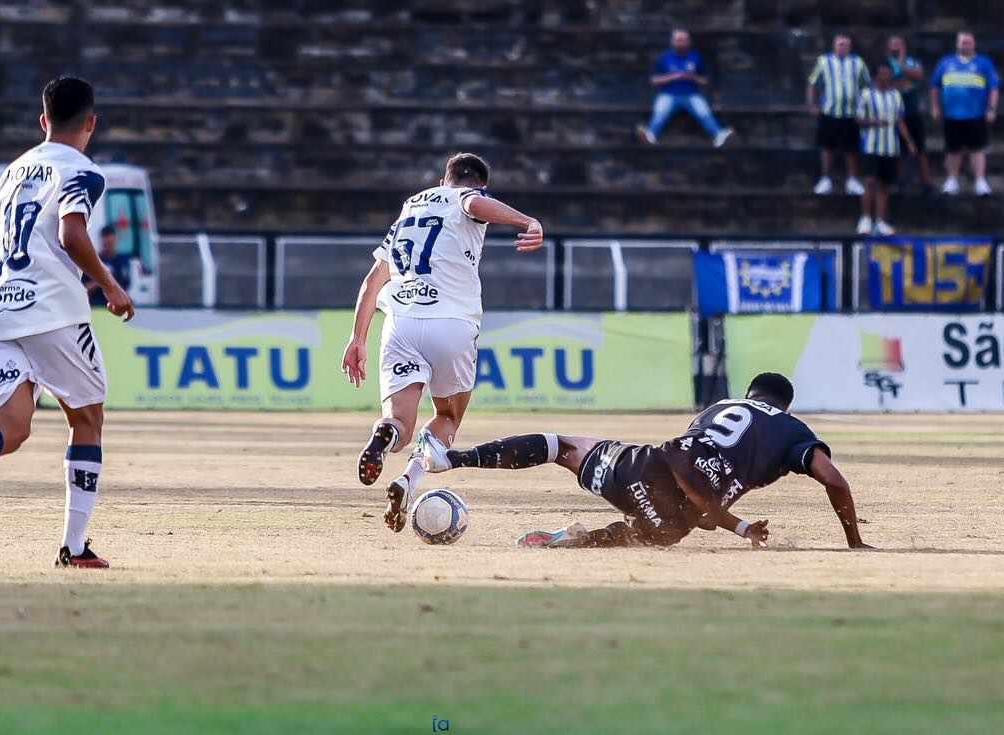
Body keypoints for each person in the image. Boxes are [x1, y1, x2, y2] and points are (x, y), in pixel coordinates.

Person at [0, 77, 135, 569]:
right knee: (87, 419)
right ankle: (74, 547)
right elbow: (72, 231)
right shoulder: (83, 170)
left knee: (11, 426)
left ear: (42, 122)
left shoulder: (13, 171)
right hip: (50, 310)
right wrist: (109, 284)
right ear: (92, 123)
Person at [416, 372, 871, 550]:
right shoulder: (793, 430)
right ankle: (573, 540)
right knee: (657, 530)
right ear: (784, 407)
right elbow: (834, 479)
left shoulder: (719, 407)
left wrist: (725, 517)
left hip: (645, 470)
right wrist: (853, 539)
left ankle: (451, 457)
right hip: (679, 515)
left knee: (562, 446)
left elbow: (688, 458)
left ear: (749, 396)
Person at [342, 153, 544, 532]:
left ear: (442, 178)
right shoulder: (465, 198)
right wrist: (526, 220)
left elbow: (373, 280)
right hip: (450, 323)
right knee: (448, 416)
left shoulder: (408, 210)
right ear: (480, 182)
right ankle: (410, 475)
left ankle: (393, 452)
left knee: (399, 421)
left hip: (400, 324)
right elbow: (472, 202)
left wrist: (358, 339)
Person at [636, 29, 734, 148]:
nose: (680, 42)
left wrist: (692, 77)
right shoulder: (664, 58)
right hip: (669, 94)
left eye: (683, 40)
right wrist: (673, 77)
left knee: (704, 113)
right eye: (678, 40)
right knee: (660, 113)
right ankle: (650, 135)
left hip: (691, 94)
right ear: (672, 41)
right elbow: (654, 80)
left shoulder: (696, 58)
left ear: (688, 42)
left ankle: (719, 135)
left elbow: (705, 81)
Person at [931, 31, 999, 196]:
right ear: (957, 44)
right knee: (953, 149)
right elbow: (935, 86)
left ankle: (980, 181)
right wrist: (935, 107)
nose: (965, 45)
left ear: (974, 44)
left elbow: (993, 88)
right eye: (962, 42)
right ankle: (952, 180)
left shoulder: (984, 63)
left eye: (968, 42)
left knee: (977, 149)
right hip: (952, 115)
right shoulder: (945, 63)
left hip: (976, 115)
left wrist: (991, 109)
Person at [855, 63, 916, 236]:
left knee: (884, 185)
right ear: (876, 75)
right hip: (870, 145)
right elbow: (858, 119)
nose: (885, 77)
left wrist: (909, 141)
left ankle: (880, 221)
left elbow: (900, 120)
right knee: (870, 182)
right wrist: (874, 122)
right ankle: (865, 218)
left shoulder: (896, 96)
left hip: (891, 147)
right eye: (882, 73)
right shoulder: (866, 95)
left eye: (888, 74)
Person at [806, 34, 869, 196]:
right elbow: (812, 83)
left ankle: (852, 180)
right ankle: (826, 179)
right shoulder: (824, 62)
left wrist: (866, 108)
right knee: (827, 147)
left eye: (845, 44)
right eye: (840, 44)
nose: (842, 47)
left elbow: (867, 85)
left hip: (851, 113)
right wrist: (812, 104)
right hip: (829, 111)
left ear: (850, 46)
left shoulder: (858, 62)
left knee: (852, 148)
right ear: (834, 45)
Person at [888, 35, 934, 195]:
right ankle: (898, 182)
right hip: (893, 112)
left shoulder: (911, 61)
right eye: (893, 44)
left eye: (898, 44)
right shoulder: (885, 63)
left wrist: (901, 63)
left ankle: (926, 183)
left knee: (920, 149)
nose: (896, 47)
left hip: (912, 111)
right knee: (897, 150)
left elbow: (918, 75)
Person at [85, 225, 130, 308]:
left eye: (111, 242)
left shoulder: (122, 260)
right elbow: (84, 289)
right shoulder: (92, 261)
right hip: (96, 308)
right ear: (101, 241)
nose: (109, 245)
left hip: (116, 309)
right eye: (107, 242)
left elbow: (125, 284)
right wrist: (103, 279)